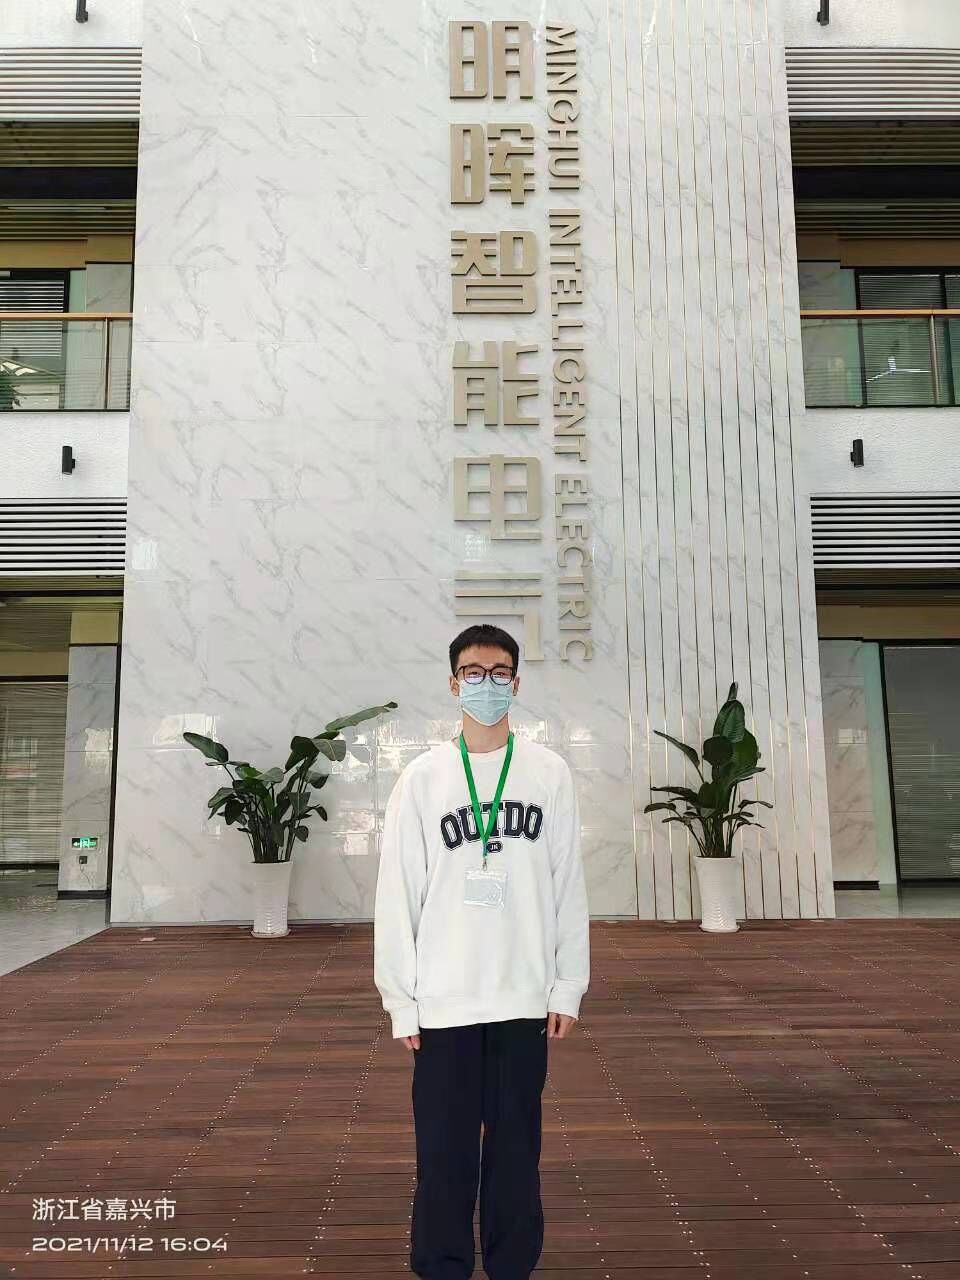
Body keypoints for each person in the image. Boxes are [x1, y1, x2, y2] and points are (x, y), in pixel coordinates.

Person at [373, 622, 590, 1280]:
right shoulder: (423, 778)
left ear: (516, 683)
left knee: (517, 1150)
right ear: (453, 683)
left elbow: (568, 885)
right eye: (474, 672)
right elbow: (398, 893)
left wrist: (568, 985)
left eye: (499, 673)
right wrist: (401, 1000)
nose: (486, 683)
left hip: (523, 994)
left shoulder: (549, 773)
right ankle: (441, 1266)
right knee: (443, 1153)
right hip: (445, 999)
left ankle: (511, 1264)